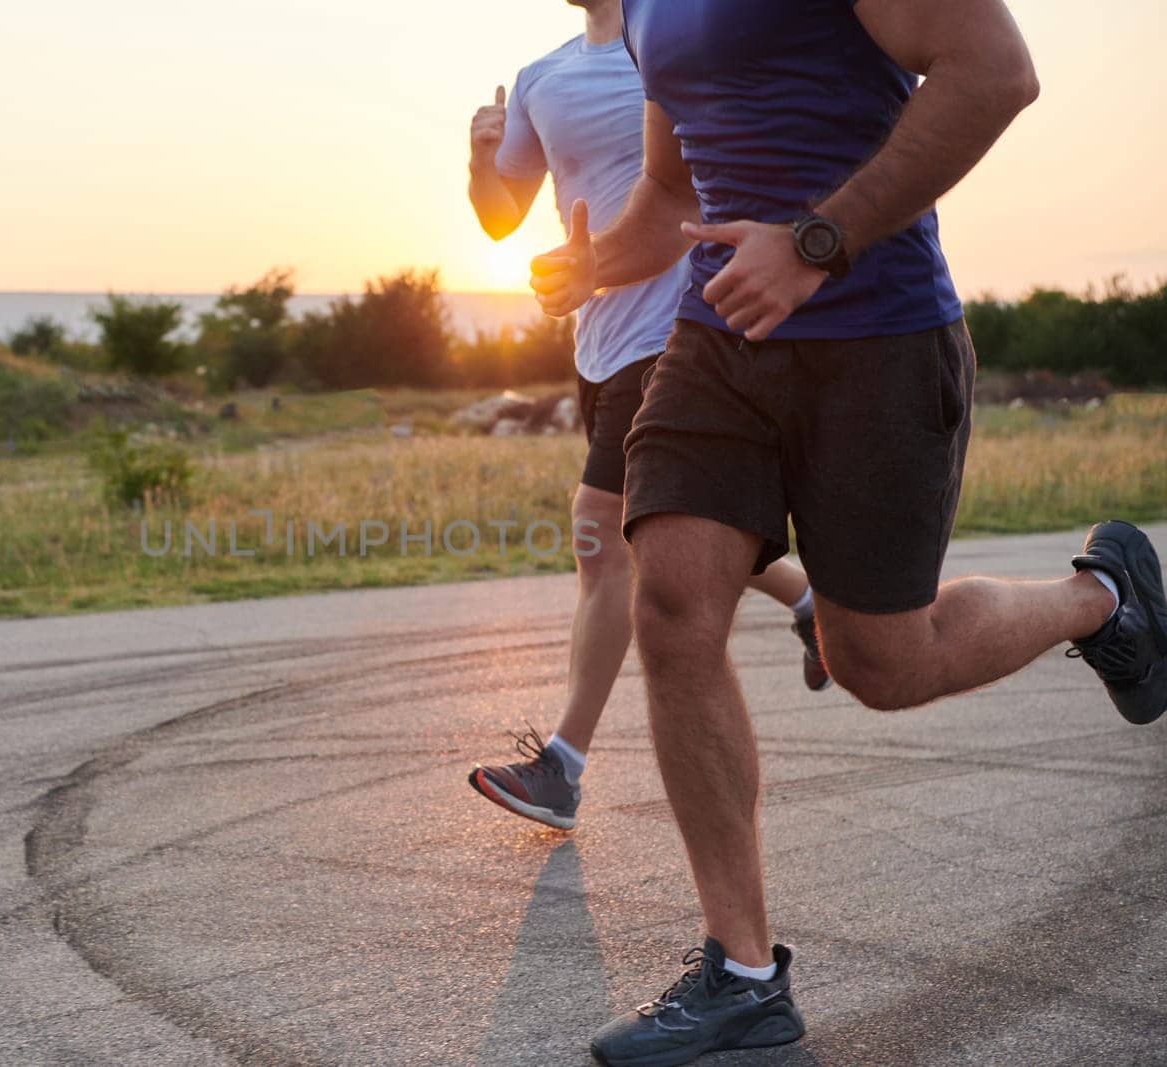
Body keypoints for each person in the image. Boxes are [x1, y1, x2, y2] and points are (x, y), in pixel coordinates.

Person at [527, 0, 1167, 1062]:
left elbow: (993, 71)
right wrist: (590, 264)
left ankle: (1100, 594)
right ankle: (740, 976)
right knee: (674, 597)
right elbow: (673, 189)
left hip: (880, 337)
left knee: (879, 659)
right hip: (717, 332)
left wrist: (817, 242)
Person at [464, 0, 830, 836]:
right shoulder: (540, 78)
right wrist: (481, 158)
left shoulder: (671, 42)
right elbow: (498, 215)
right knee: (658, 534)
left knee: (599, 531)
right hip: (595, 338)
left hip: (678, 328)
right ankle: (809, 598)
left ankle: (562, 766)